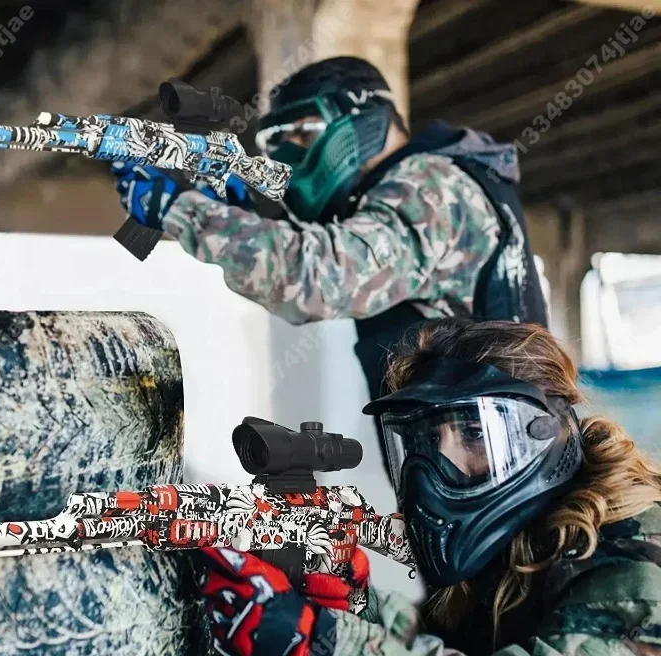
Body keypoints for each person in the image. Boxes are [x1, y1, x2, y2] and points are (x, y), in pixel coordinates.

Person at [198, 318, 661, 656]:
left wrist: (326, 646)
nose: (440, 467)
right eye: (421, 442)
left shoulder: (637, 555)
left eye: (475, 434)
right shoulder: (519, 536)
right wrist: (355, 610)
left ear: (546, 433)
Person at [112, 56, 548, 466]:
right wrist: (236, 221)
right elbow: (317, 268)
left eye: (302, 133)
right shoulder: (411, 192)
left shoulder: (429, 186)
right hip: (480, 463)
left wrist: (180, 209)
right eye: (278, 143)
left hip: (498, 468)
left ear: (357, 118)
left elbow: (317, 279)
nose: (290, 155)